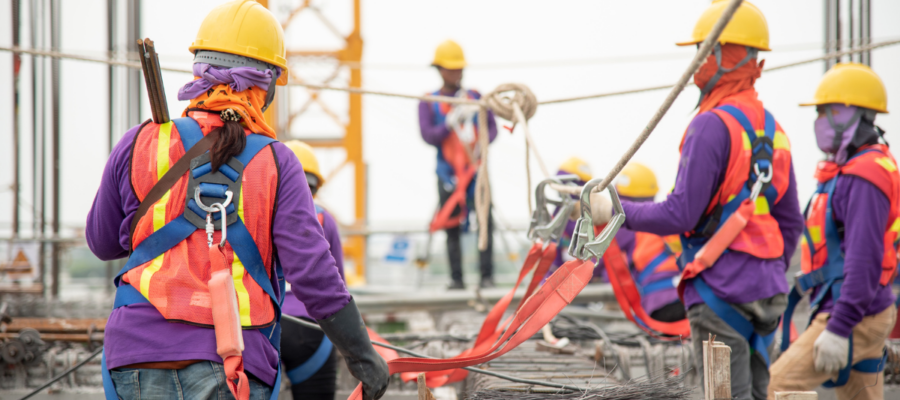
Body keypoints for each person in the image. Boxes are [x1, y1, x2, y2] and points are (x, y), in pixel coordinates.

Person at [85, 2, 388, 399]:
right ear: (266, 86)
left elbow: (103, 242)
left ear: (199, 73)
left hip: (133, 358)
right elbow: (313, 272)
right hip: (231, 364)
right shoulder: (276, 163)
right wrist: (362, 356)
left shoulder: (143, 142)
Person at [590, 2, 803, 399]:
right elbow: (790, 222)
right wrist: (768, 270)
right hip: (768, 293)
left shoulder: (710, 125)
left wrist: (615, 210)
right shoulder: (774, 129)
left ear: (722, 55)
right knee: (758, 393)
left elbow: (680, 212)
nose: (696, 63)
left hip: (721, 292)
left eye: (702, 51)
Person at [768, 63, 897, 400]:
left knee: (776, 386)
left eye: (830, 110)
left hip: (854, 313)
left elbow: (865, 258)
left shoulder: (864, 176)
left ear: (858, 114)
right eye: (820, 111)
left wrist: (840, 327)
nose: (819, 120)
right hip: (862, 308)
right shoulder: (852, 170)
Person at [418, 39, 499, 290]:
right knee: (451, 226)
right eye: (451, 68)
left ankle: (486, 276)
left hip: (476, 172)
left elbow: (493, 129)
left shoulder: (476, 98)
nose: (456, 73)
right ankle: (457, 279)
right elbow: (428, 135)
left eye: (459, 68)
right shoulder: (429, 101)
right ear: (440, 70)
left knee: (485, 222)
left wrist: (479, 144)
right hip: (448, 174)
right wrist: (449, 124)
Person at [281, 141, 346, 400]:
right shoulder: (322, 219)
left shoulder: (255, 214)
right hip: (311, 330)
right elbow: (337, 286)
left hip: (264, 326)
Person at [603, 163, 685, 323]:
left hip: (658, 304)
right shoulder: (661, 219)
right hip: (687, 296)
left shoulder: (622, 226)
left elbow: (599, 264)